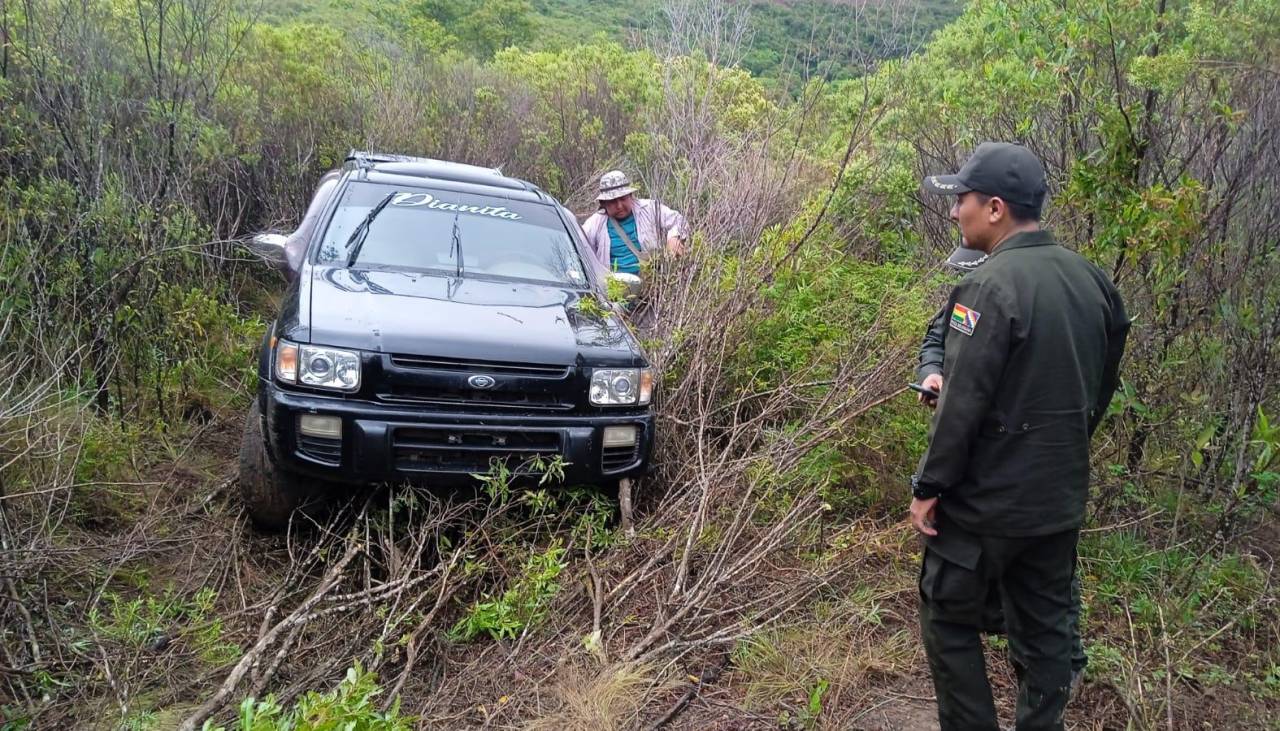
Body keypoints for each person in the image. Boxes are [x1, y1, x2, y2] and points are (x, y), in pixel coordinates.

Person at [910, 142, 1129, 730]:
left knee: (947, 614)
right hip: (1057, 500)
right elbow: (1098, 389)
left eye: (963, 201)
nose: (956, 212)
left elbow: (962, 403)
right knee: (1046, 625)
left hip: (986, 505)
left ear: (996, 208)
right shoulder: (1092, 280)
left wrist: (929, 484)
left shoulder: (989, 287)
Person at [915, 245, 1089, 700]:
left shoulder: (1003, 292)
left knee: (968, 611)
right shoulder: (974, 297)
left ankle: (1058, 671)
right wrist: (933, 372)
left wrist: (930, 484)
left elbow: (964, 406)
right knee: (1035, 614)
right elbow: (937, 339)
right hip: (1040, 490)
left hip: (1008, 488)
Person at [580, 170, 687, 274]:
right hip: (614, 288)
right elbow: (577, 246)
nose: (619, 206)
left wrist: (674, 237)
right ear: (603, 203)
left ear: (630, 196)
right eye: (612, 201)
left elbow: (679, 220)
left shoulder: (649, 209)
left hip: (651, 282)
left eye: (622, 199)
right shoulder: (594, 224)